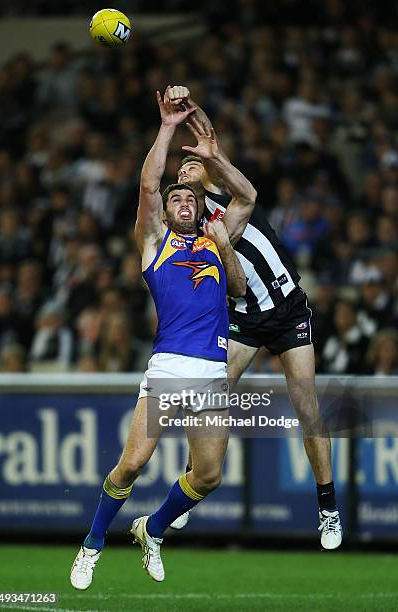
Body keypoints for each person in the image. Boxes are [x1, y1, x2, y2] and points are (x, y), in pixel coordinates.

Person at [70, 88, 255, 589]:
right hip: (170, 368)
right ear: (166, 211)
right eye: (175, 199)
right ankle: (91, 546)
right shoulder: (155, 243)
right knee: (131, 465)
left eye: (189, 198)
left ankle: (151, 530)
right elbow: (148, 185)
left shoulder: (218, 241)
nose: (181, 202)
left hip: (212, 375)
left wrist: (215, 159)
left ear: (199, 207)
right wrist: (169, 127)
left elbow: (247, 198)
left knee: (209, 476)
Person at [168, 85, 342, 549]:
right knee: (206, 397)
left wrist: (188, 106)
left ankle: (327, 507)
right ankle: (190, 484)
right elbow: (232, 282)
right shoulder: (191, 225)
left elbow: (205, 132)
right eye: (181, 169)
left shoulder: (223, 187)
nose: (185, 169)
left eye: (190, 164)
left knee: (307, 408)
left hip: (287, 310)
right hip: (244, 317)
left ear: (204, 168)